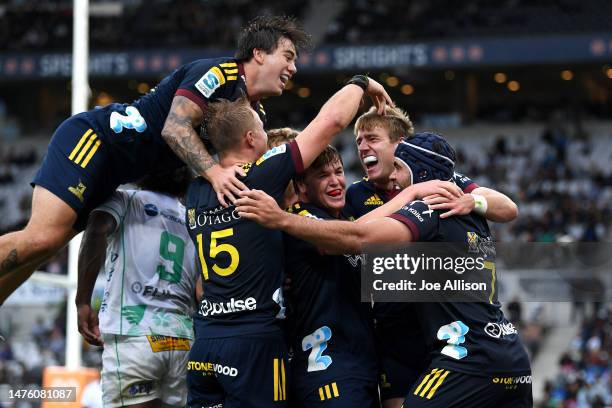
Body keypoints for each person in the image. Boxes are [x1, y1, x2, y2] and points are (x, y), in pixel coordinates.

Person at [0, 15, 311, 305]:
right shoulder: (219, 73)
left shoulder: (255, 114)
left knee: (46, 247)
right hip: (96, 140)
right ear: (258, 54)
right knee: (42, 238)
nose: (294, 68)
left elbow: (247, 167)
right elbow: (174, 128)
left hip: (114, 172)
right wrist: (215, 173)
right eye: (288, 56)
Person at [235, 132, 533, 408]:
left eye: (399, 169)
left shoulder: (428, 209)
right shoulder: (472, 211)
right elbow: (505, 209)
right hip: (512, 356)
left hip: (467, 358)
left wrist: (280, 220)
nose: (393, 178)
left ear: (421, 175)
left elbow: (356, 239)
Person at [184, 76, 392, 407]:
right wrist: (361, 83)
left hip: (206, 340)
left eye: (338, 173)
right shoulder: (262, 180)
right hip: (258, 345)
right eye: (263, 132)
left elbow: (199, 285)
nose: (267, 139)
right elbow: (333, 120)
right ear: (251, 138)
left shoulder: (197, 189)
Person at [345, 106, 519, 408]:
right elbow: (349, 241)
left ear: (400, 145)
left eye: (372, 138)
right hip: (395, 327)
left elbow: (508, 208)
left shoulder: (445, 182)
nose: (362, 147)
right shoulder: (357, 194)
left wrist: (471, 200)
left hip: (448, 330)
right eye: (358, 140)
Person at [75, 167, 198, 408]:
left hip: (134, 337)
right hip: (182, 340)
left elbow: (97, 228)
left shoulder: (126, 199)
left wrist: (83, 301)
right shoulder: (192, 219)